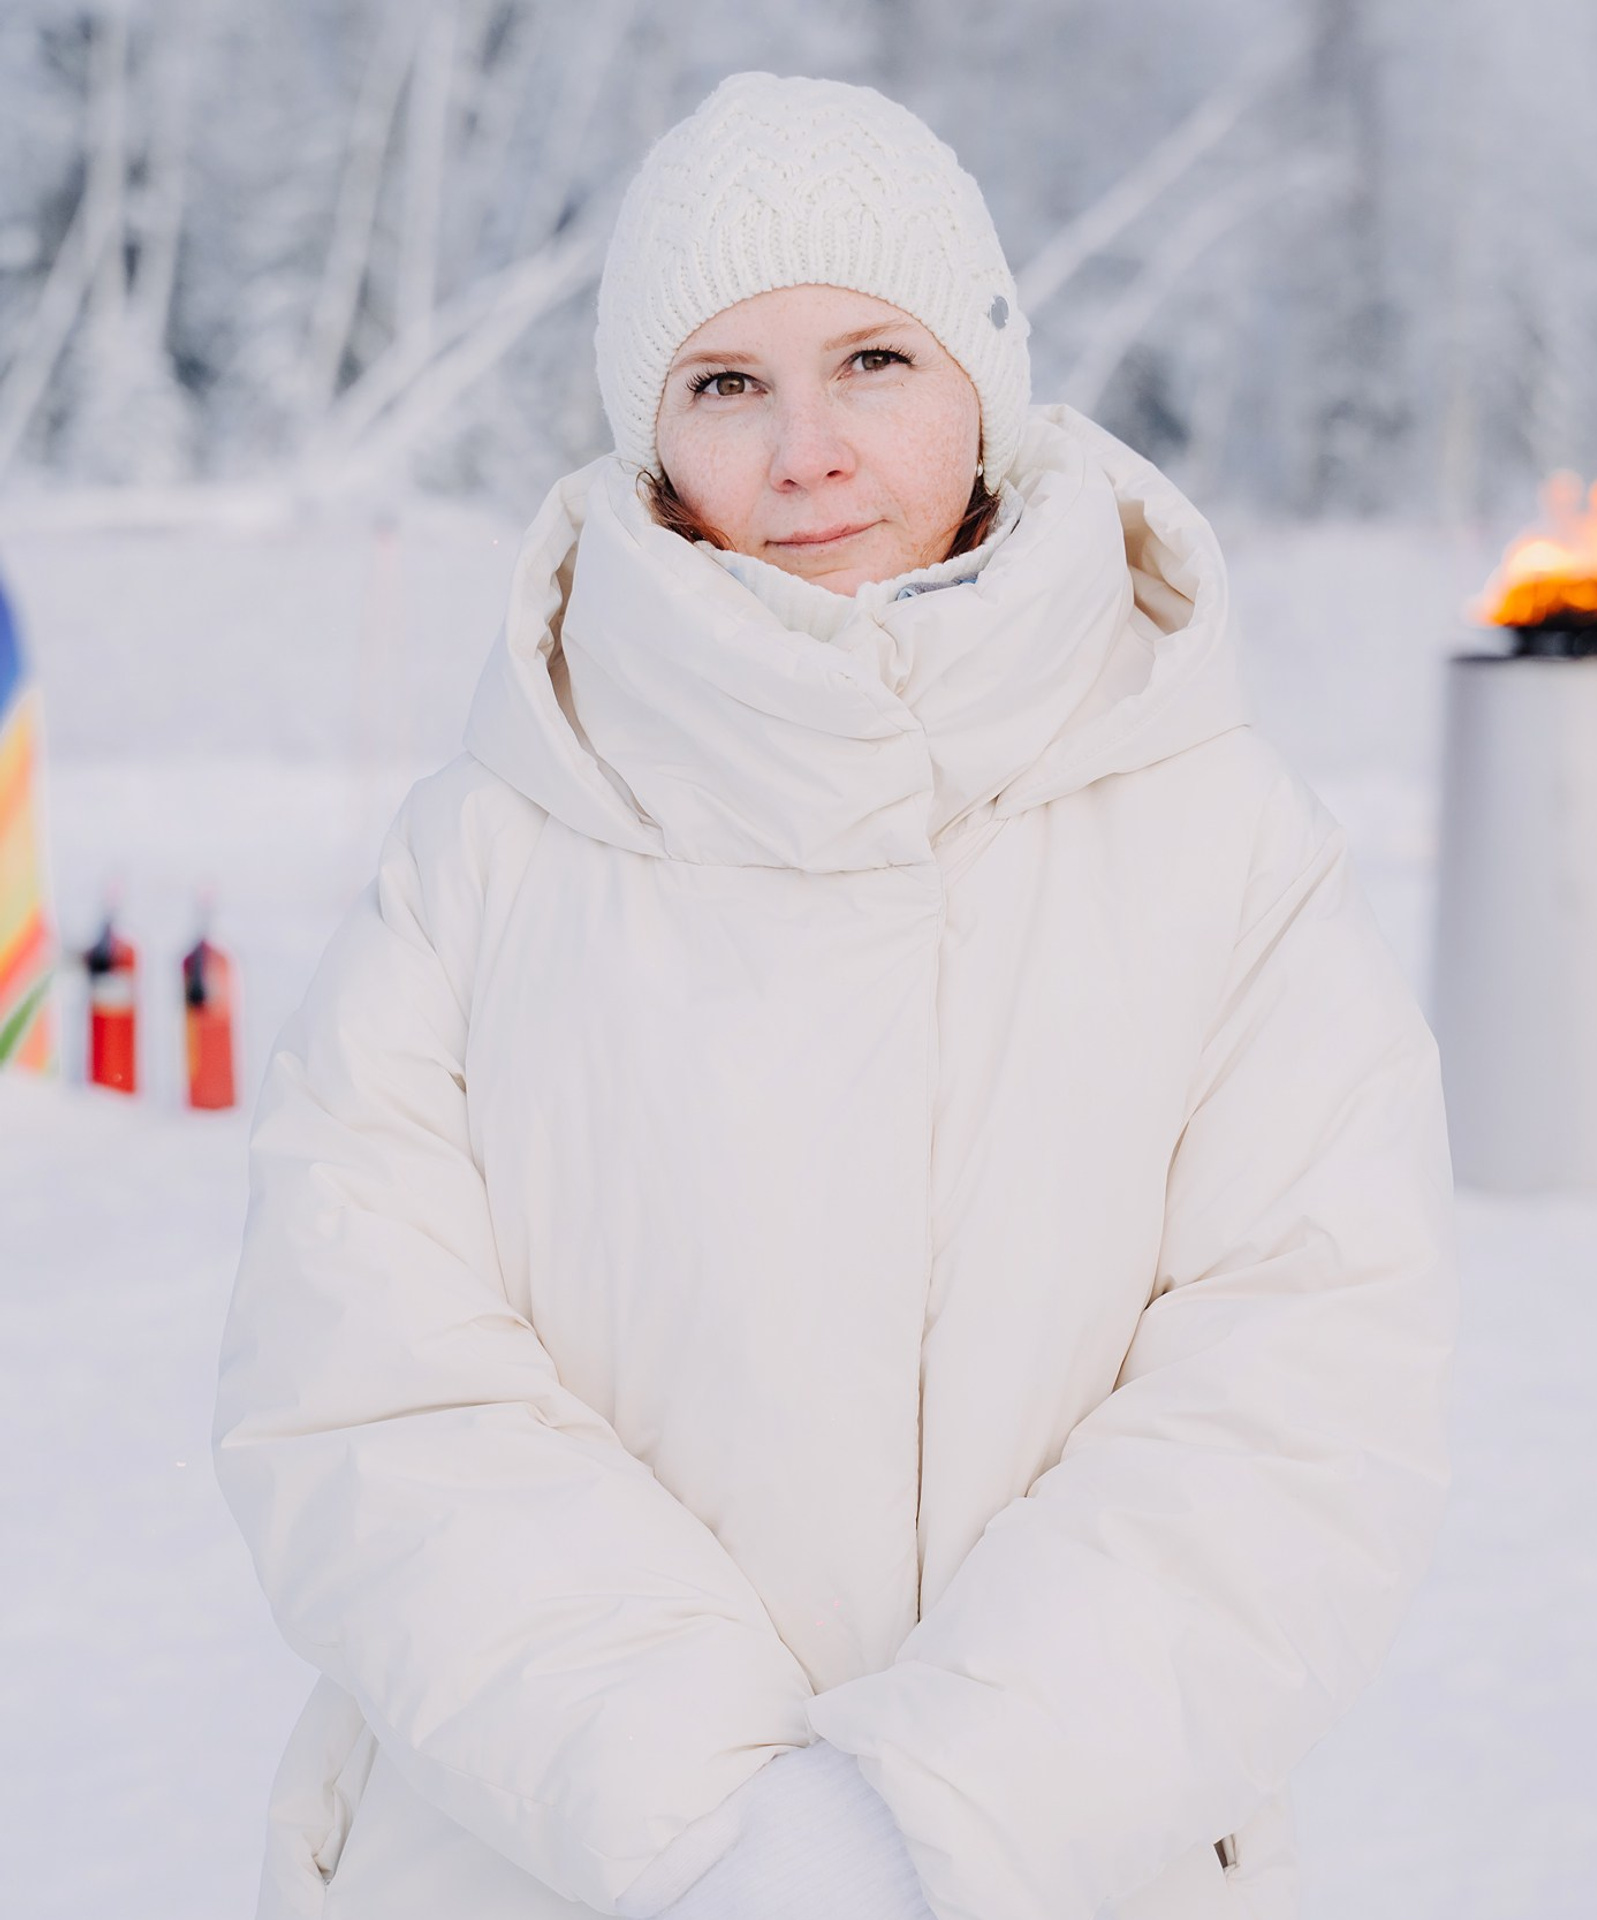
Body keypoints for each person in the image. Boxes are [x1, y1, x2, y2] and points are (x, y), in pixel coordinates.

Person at [213, 71, 1455, 1920]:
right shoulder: (486, 850)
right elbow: (367, 1387)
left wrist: (937, 1814)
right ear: (653, 441)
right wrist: (710, 1818)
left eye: (874, 359)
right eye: (727, 384)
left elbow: (1303, 1390)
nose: (806, 451)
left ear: (985, 382)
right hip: (520, 1866)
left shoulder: (1222, 839)